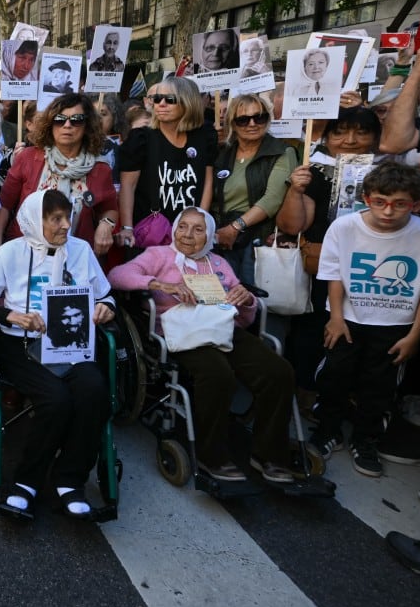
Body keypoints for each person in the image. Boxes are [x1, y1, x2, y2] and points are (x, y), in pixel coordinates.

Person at [109, 207, 297, 484]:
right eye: (183, 227)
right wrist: (160, 284)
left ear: (209, 235)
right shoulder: (158, 255)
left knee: (278, 371)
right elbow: (117, 275)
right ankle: (213, 457)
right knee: (218, 374)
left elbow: (244, 320)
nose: (188, 234)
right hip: (181, 331)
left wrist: (247, 301)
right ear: (174, 230)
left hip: (224, 329)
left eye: (198, 229)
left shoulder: (219, 264)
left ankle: (268, 453)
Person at [0, 189, 116, 519]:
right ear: (36, 221)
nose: (66, 225)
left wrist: (105, 307)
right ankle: (26, 483)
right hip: (21, 345)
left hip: (69, 343)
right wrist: (12, 315)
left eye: (68, 217)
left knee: (94, 392)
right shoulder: (11, 253)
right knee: (56, 399)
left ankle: (69, 479)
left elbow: (106, 295)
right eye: (56, 219)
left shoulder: (81, 250)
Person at [310, 162, 420, 477]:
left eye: (400, 204)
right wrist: (337, 318)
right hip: (348, 321)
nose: (388, 211)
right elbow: (334, 276)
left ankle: (365, 439)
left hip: (395, 327)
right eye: (380, 202)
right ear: (366, 198)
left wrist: (414, 336)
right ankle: (327, 430)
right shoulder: (344, 228)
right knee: (335, 376)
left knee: (379, 388)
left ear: (418, 205)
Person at [275, 106, 382, 390]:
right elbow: (291, 226)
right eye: (341, 132)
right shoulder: (315, 171)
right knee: (313, 331)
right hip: (322, 266)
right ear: (327, 136)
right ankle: (307, 391)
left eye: (361, 133)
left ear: (374, 138)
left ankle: (347, 394)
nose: (350, 140)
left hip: (371, 269)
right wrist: (296, 190)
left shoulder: (385, 174)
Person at [0, 94, 117, 257]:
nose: (67, 125)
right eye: (60, 119)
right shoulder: (28, 158)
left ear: (87, 125)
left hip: (75, 256)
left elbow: (109, 209)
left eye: (76, 119)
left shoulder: (100, 168)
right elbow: (5, 205)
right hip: (25, 253)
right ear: (50, 124)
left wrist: (106, 225)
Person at [116, 76, 216, 247]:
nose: (161, 104)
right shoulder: (141, 138)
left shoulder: (204, 135)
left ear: (188, 102)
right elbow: (128, 186)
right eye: (157, 99)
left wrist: (201, 222)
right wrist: (127, 227)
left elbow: (207, 181)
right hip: (153, 233)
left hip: (191, 235)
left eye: (170, 99)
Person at [210, 93, 296, 284]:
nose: (252, 124)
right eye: (243, 119)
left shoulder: (281, 152)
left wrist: (235, 227)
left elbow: (272, 199)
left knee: (252, 302)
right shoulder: (222, 153)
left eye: (259, 117)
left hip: (257, 239)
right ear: (232, 123)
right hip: (220, 238)